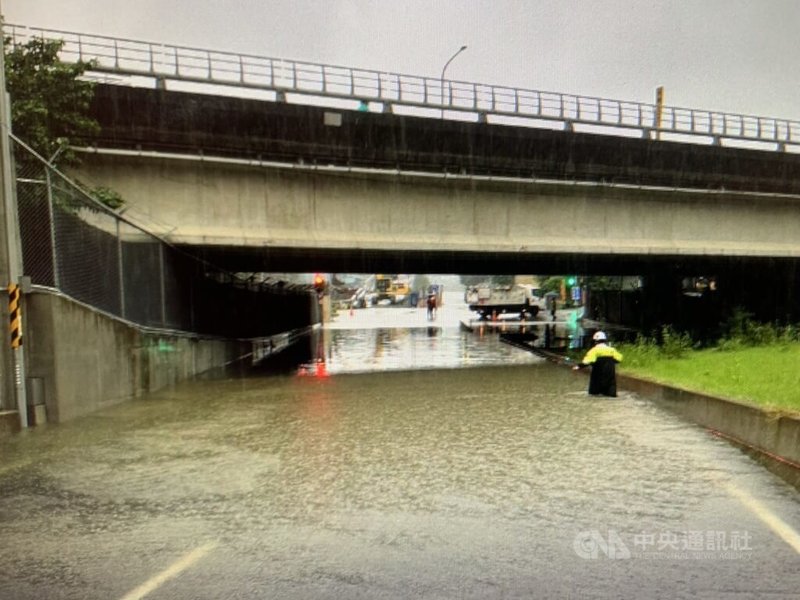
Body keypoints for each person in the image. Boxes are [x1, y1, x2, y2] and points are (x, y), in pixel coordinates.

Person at [572, 331, 623, 397]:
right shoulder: (611, 350)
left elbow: (588, 361)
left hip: (597, 379)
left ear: (595, 341)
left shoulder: (594, 350)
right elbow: (619, 359)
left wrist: (578, 366)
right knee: (611, 395)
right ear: (605, 340)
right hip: (610, 378)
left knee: (594, 395)